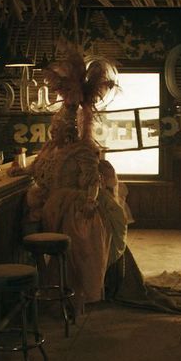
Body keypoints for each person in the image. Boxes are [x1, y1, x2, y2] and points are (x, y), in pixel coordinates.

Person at [12, 43, 127, 308]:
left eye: (63, 128)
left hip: (74, 205)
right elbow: (38, 169)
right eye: (56, 127)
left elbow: (92, 180)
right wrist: (22, 170)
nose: (58, 132)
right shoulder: (51, 149)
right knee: (32, 221)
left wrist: (89, 199)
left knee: (80, 239)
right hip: (52, 203)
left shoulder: (82, 150)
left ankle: (75, 292)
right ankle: (45, 281)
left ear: (72, 130)